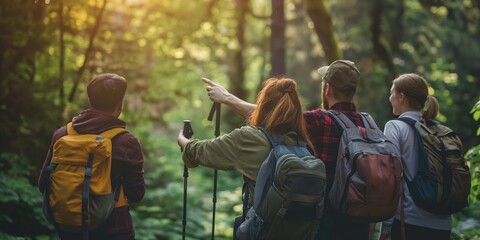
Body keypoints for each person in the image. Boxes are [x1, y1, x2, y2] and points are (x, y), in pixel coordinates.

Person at [202, 60, 376, 240]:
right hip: (359, 224)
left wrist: (227, 98)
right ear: (352, 90)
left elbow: (274, 116)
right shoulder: (368, 124)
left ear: (328, 88)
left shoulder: (320, 121)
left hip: (324, 223)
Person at [177, 77, 312, 237]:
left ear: (263, 104)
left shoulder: (251, 139)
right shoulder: (302, 142)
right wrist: (227, 97)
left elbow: (203, 150)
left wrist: (183, 141)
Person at [38, 73, 145, 240]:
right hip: (114, 230)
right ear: (120, 103)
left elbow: (43, 184)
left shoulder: (62, 134)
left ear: (90, 100)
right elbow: (136, 194)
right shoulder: (126, 142)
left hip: (69, 230)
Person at [379, 73, 450, 240]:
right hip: (443, 223)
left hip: (410, 222)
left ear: (401, 97)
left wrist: (386, 227)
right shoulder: (438, 130)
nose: (390, 98)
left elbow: (391, 179)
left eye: (392, 93)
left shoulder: (395, 126)